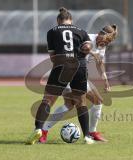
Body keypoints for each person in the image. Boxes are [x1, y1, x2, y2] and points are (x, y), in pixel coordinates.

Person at [26, 7, 94, 145]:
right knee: (81, 102)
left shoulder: (52, 32)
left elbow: (52, 57)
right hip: (80, 66)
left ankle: (38, 129)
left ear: (58, 20)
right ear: (71, 20)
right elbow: (88, 48)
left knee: (48, 100)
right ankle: (87, 136)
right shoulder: (81, 31)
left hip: (61, 64)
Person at [39, 25, 118, 143]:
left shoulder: (102, 46)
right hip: (67, 71)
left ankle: (44, 132)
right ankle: (91, 132)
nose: (105, 44)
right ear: (100, 33)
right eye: (105, 40)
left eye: (108, 43)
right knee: (86, 102)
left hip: (78, 75)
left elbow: (99, 61)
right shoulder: (87, 37)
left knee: (72, 104)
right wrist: (92, 52)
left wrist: (105, 78)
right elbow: (78, 49)